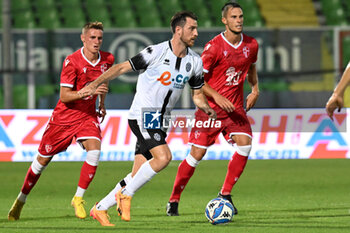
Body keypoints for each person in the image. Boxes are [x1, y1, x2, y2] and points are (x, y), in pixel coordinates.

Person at [78, 11, 216, 226]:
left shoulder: (195, 62)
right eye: (192, 28)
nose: (196, 33)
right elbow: (122, 67)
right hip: (144, 114)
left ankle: (100, 208)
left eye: (196, 28)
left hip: (163, 120)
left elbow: (197, 94)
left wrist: (206, 107)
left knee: (137, 173)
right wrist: (94, 84)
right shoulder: (156, 52)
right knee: (163, 158)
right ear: (178, 30)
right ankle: (126, 195)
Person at [8, 22, 115, 221]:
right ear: (83, 38)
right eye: (92, 37)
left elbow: (104, 79)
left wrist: (101, 103)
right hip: (64, 118)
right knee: (41, 161)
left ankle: (78, 198)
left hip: (87, 116)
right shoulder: (72, 61)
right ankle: (21, 199)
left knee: (95, 149)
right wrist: (89, 90)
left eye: (99, 38)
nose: (96, 42)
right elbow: (65, 96)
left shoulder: (108, 59)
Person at [166, 2, 259, 216]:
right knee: (196, 155)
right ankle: (174, 199)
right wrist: (217, 96)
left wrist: (255, 89)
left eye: (241, 16)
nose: (239, 20)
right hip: (211, 110)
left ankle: (225, 194)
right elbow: (198, 80)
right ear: (224, 20)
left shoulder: (252, 44)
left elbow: (251, 67)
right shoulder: (214, 47)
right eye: (234, 17)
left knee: (245, 145)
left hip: (235, 109)